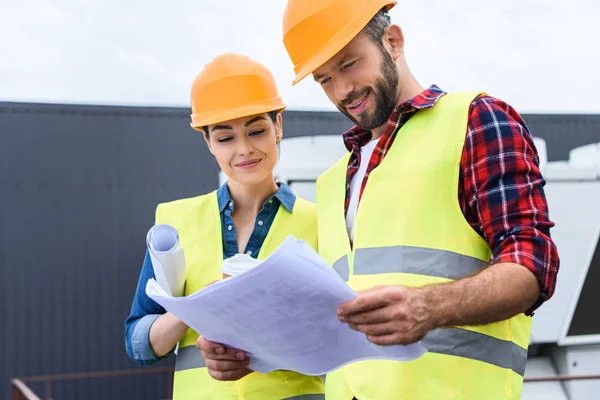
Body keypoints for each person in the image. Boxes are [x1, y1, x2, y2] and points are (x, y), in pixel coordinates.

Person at [277, 1, 561, 399]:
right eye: (323, 79)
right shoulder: (331, 182)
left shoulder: (476, 120)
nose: (342, 91)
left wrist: (429, 307)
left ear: (392, 41)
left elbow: (533, 264)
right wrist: (250, 347)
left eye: (348, 64)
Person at [124, 53, 325, 400]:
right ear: (208, 142)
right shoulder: (175, 225)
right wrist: (198, 307)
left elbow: (342, 339)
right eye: (225, 137)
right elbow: (140, 344)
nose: (244, 150)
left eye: (257, 131)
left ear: (279, 125)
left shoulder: (321, 223)